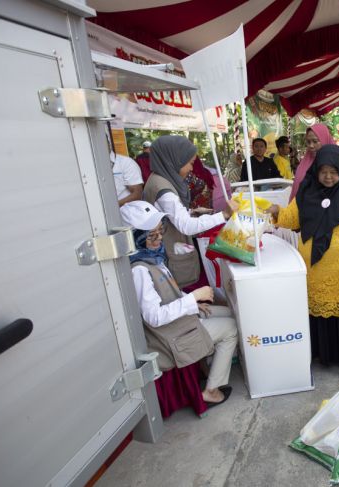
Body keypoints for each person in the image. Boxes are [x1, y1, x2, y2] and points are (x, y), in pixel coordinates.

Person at [268, 145, 339, 391]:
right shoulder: (308, 191)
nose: (328, 176)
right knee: (316, 314)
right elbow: (292, 218)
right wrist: (278, 212)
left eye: (333, 171)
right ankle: (323, 357)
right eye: (323, 171)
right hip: (315, 272)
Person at [120, 200, 237, 412]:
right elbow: (154, 316)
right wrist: (192, 299)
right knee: (232, 329)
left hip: (179, 320)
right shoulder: (139, 270)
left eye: (160, 231)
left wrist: (193, 303)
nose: (158, 239)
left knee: (230, 313)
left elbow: (170, 293)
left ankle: (210, 363)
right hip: (171, 337)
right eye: (151, 235)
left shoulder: (151, 258)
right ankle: (211, 391)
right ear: (134, 238)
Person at [144, 135, 236, 289]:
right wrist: (224, 215)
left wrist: (191, 212)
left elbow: (170, 214)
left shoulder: (159, 178)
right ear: (175, 159)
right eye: (190, 163)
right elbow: (185, 226)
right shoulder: (164, 189)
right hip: (169, 254)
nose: (192, 169)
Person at [291, 123, 335, 200]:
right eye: (308, 142)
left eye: (315, 141)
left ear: (324, 140)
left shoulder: (335, 162)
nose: (311, 146)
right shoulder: (304, 164)